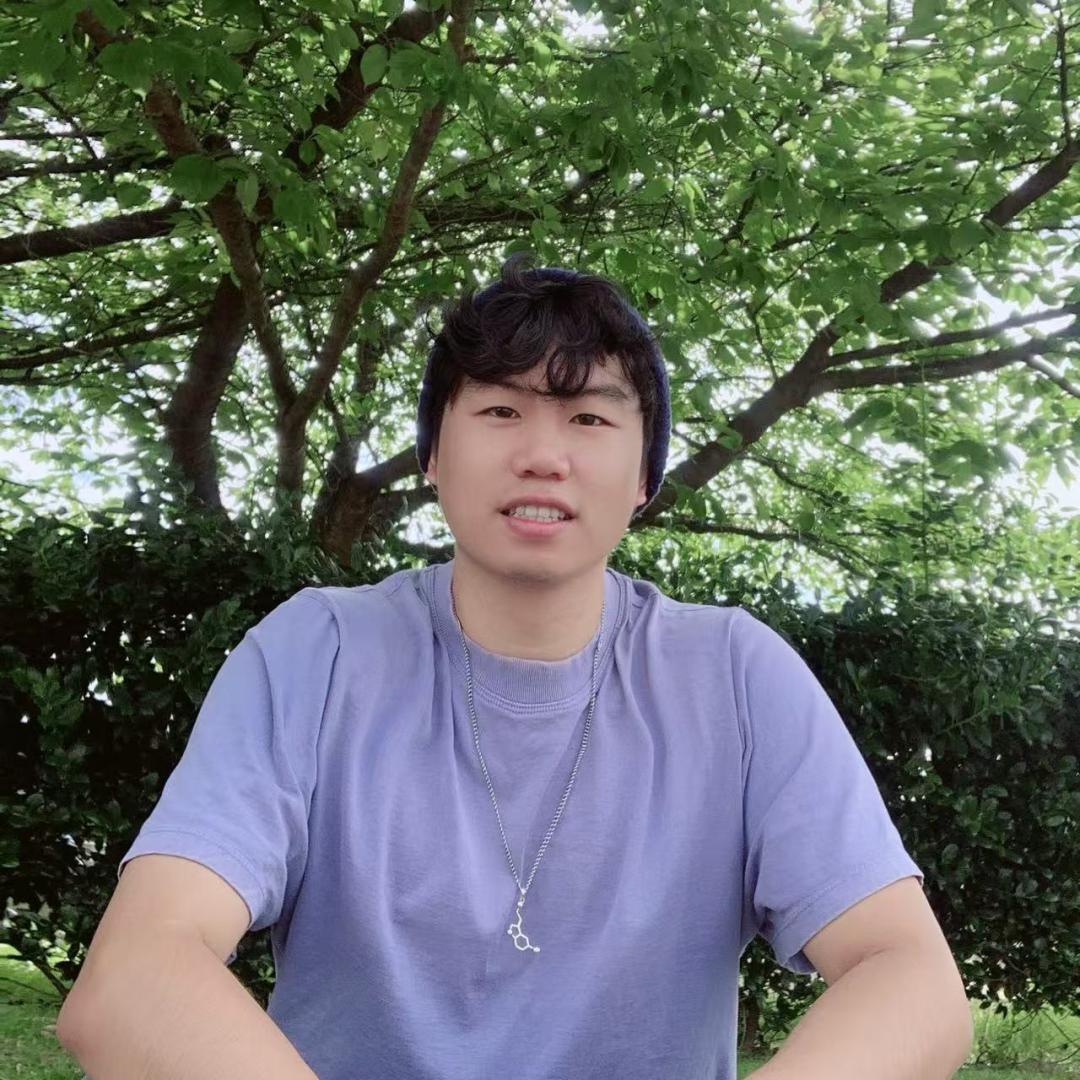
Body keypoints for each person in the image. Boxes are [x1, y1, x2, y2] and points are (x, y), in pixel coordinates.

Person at [63, 255, 924, 1079]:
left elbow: (907, 974)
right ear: (434, 456)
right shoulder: (314, 654)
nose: (544, 454)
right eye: (501, 410)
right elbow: (137, 975)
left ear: (644, 477)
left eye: (590, 418)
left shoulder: (736, 677)